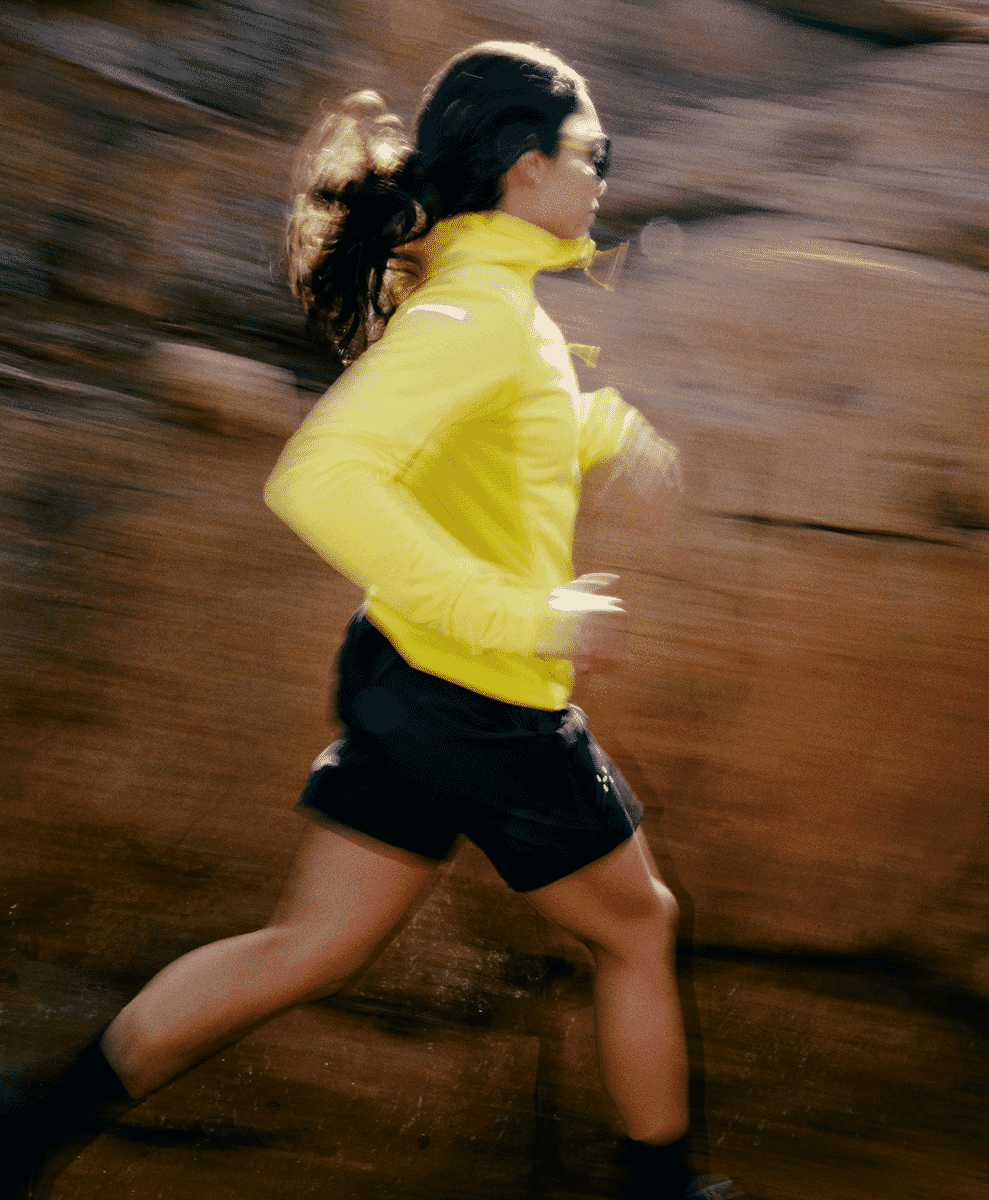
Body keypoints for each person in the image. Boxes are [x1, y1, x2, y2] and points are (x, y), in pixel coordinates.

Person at [10, 41, 735, 1200]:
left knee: (313, 948)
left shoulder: (488, 302)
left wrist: (619, 438)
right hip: (487, 706)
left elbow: (519, 419)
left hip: (402, 674)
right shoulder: (478, 316)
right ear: (522, 166)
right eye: (592, 154)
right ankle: (663, 1190)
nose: (604, 178)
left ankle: (27, 1129)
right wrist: (525, 612)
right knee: (638, 927)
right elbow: (320, 476)